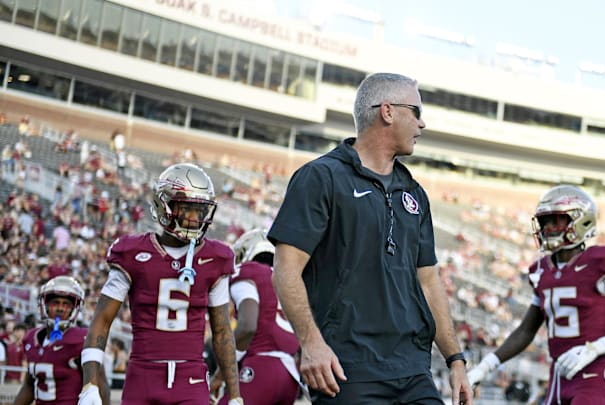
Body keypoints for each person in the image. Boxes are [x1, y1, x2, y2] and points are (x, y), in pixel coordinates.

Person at [268, 72, 473, 405]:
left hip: (413, 368)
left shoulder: (414, 193)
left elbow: (429, 282)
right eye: (417, 112)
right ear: (387, 111)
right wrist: (311, 342)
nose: (423, 125)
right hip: (347, 369)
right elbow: (286, 269)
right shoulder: (320, 178)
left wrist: (455, 359)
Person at [77, 163, 243, 405]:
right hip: (142, 377)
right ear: (163, 205)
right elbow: (102, 321)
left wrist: (235, 394)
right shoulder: (132, 253)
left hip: (191, 379)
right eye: (186, 208)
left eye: (200, 211)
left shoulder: (216, 258)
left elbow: (222, 331)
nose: (194, 218)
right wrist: (89, 383)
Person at [467, 185, 605, 404]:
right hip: (557, 377)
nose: (549, 228)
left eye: (557, 221)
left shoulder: (602, 262)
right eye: (545, 222)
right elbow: (526, 331)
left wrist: (595, 348)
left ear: (580, 221)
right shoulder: (541, 271)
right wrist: (483, 367)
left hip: (593, 375)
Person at [210, 228, 303, 405]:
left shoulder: (248, 272)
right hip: (291, 377)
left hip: (262, 369)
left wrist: (220, 376)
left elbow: (247, 327)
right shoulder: (287, 282)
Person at [13, 276, 87, 405]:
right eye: (55, 303)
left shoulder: (81, 340)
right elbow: (30, 386)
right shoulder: (31, 339)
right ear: (45, 305)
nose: (60, 308)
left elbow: (99, 385)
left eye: (66, 304)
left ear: (73, 309)